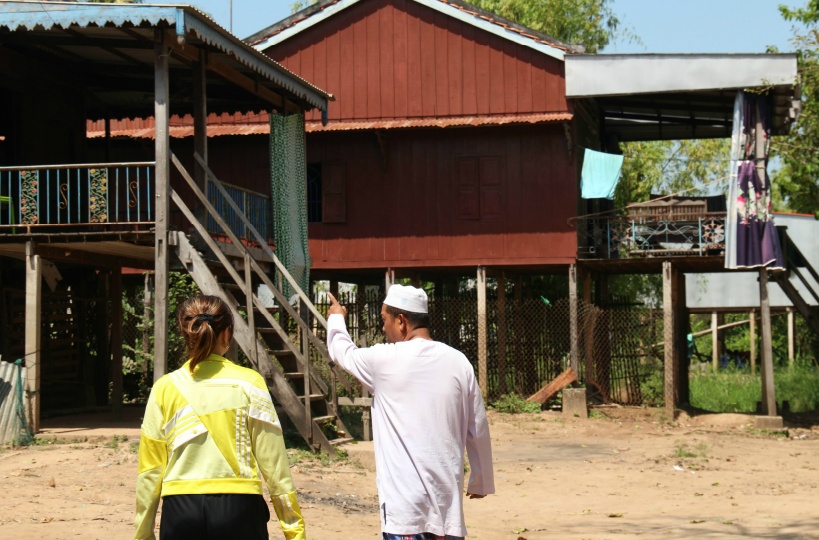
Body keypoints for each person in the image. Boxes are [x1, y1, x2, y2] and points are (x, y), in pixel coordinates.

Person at [326, 284, 494, 540]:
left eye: (384, 320)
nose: (383, 328)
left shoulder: (383, 360)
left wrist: (337, 317)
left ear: (401, 321)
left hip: (405, 514)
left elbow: (342, 351)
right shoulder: (458, 361)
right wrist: (481, 480)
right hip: (447, 510)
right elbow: (478, 426)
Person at [134, 295, 305, 540]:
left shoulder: (165, 387)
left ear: (186, 333)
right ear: (227, 334)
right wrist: (294, 531)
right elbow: (275, 466)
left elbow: (149, 470)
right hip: (239, 507)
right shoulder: (249, 383)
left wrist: (143, 534)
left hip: (180, 509)